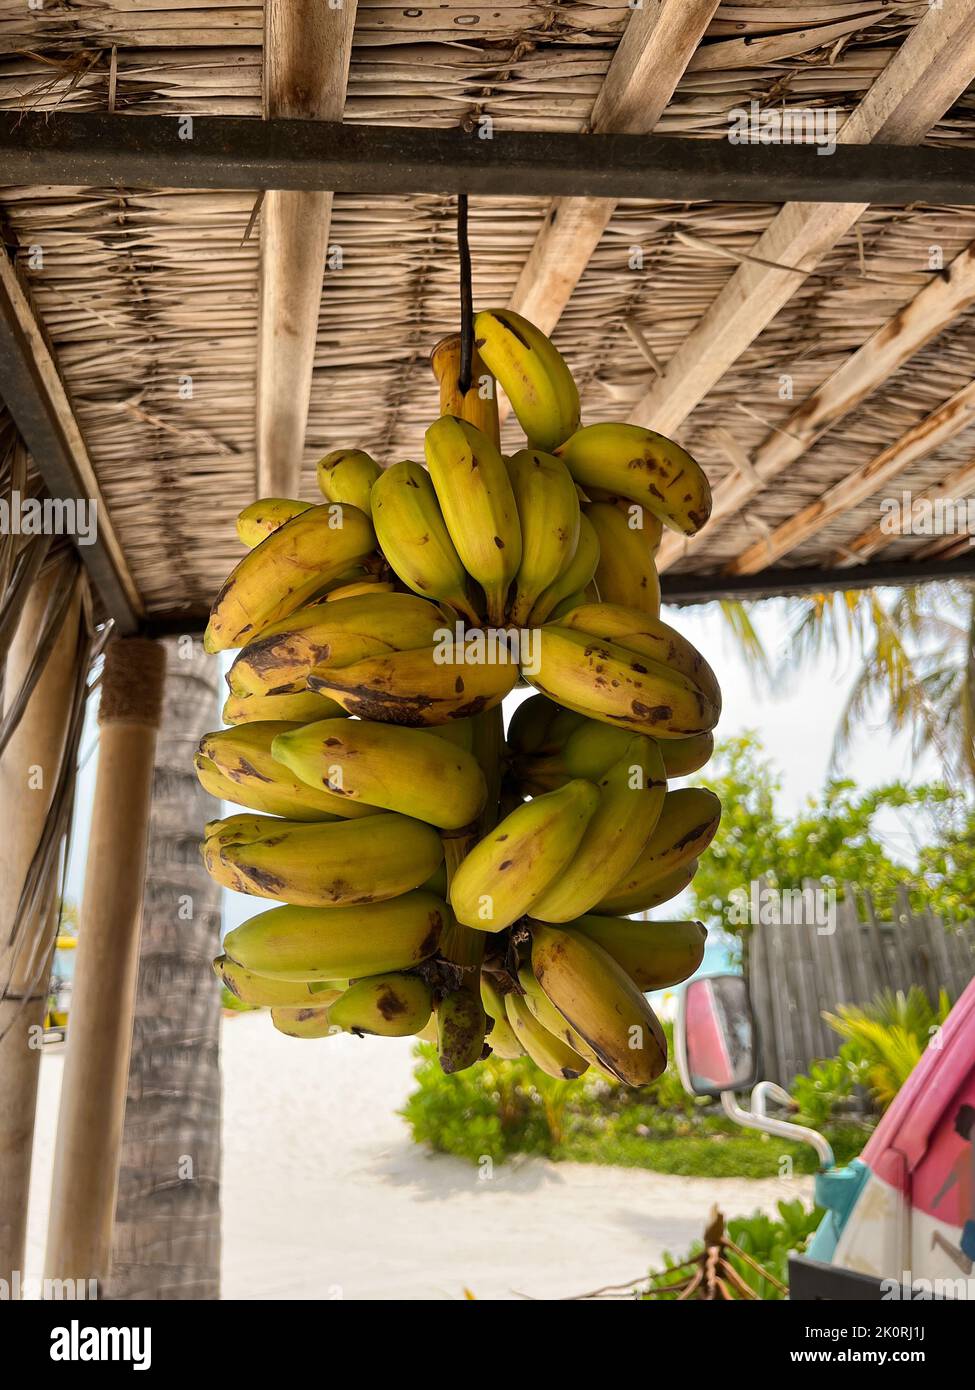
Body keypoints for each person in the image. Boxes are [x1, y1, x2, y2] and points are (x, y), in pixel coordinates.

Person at [931, 1104, 975, 1275]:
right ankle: (939, 1238)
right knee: (966, 1266)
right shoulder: (965, 1156)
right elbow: (953, 1177)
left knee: (966, 1265)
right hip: (973, 1219)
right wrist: (939, 1196)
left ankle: (938, 1238)